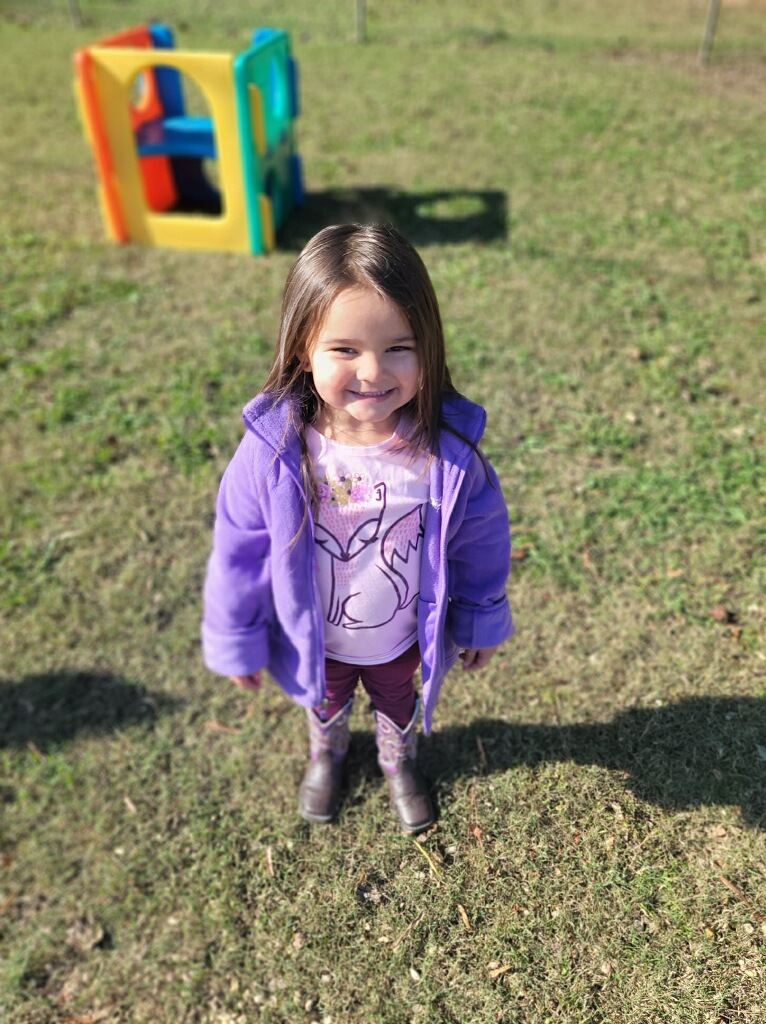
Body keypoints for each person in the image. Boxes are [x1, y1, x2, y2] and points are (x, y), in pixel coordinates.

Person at [202, 223, 513, 833]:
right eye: (344, 350)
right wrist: (235, 634)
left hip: (399, 640)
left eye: (400, 347)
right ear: (302, 350)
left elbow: (481, 540)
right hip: (316, 641)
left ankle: (398, 762)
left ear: (430, 346)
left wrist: (481, 616)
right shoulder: (274, 453)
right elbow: (238, 547)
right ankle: (329, 753)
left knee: (398, 702)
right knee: (326, 702)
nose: (373, 370)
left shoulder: (445, 453)